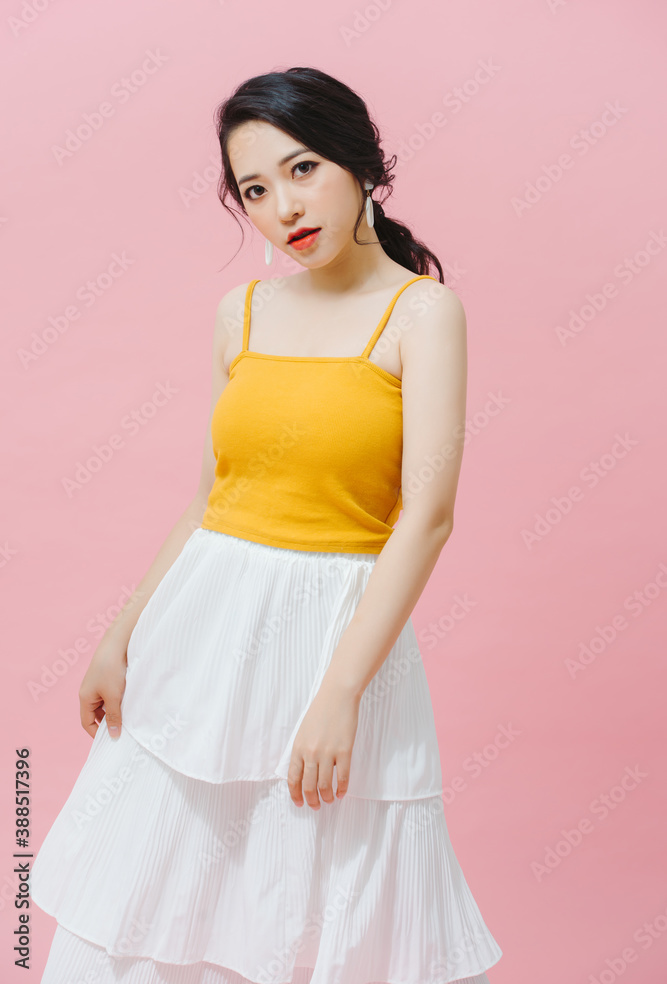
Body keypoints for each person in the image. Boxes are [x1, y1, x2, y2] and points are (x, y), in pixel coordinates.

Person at [30, 66, 503, 984]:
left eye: (302, 169)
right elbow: (210, 499)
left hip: (336, 639)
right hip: (199, 636)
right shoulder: (239, 314)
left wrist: (340, 694)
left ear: (362, 164)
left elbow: (428, 518)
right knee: (156, 900)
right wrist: (119, 636)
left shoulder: (422, 313)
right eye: (253, 190)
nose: (281, 206)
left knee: (317, 901)